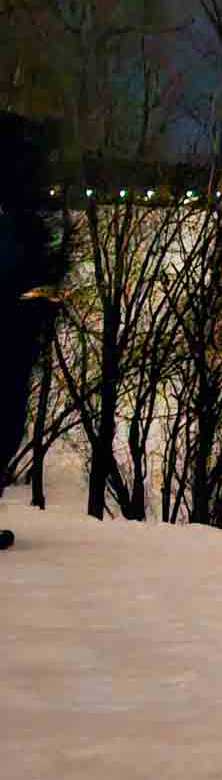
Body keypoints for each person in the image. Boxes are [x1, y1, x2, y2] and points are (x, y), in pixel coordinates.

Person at [0, 114, 67, 550]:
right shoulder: (21, 206)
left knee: (6, 423)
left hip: (19, 320)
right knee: (4, 422)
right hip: (13, 320)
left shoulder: (28, 207)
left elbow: (45, 257)